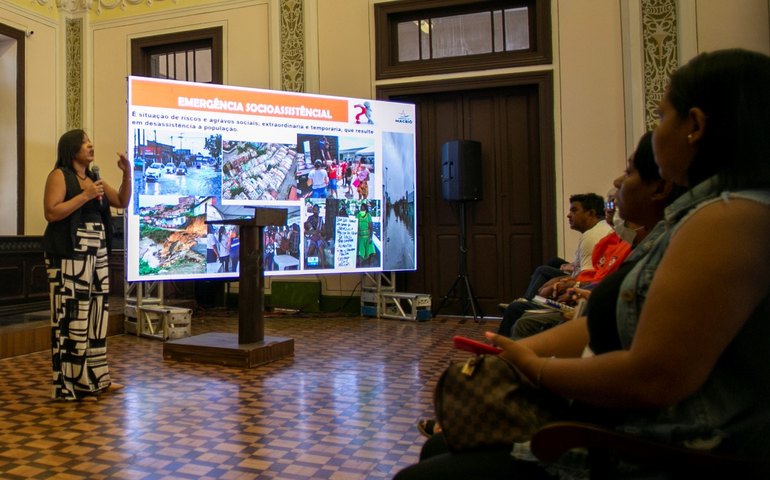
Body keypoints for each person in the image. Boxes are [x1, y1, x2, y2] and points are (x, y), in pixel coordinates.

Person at [395, 48, 770, 479]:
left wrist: (536, 369)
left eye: (663, 116)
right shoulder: (693, 217)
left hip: (652, 448)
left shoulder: (728, 221)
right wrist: (511, 356)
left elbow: (654, 377)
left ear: (696, 126)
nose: (654, 131)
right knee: (443, 446)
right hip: (623, 423)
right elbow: (608, 325)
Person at [43, 129, 131, 402]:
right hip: (69, 253)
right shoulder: (60, 176)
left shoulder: (94, 178)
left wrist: (127, 174)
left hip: (98, 251)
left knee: (95, 316)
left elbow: (122, 201)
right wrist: (85, 195)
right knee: (73, 317)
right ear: (72, 149)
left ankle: (96, 378)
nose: (91, 145)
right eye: (84, 142)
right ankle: (70, 383)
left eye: (90, 141)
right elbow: (51, 211)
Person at [520, 193, 612, 300]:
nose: (568, 215)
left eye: (574, 210)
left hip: (587, 282)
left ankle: (527, 303)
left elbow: (587, 276)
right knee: (554, 262)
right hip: (588, 274)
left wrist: (561, 280)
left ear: (591, 213)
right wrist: (570, 267)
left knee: (542, 271)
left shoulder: (592, 235)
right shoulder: (600, 229)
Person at [304, 204, 326, 268]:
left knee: (322, 255)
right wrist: (313, 232)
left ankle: (323, 270)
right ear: (313, 210)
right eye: (314, 210)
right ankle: (305, 269)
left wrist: (320, 232)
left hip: (319, 238)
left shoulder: (321, 219)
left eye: (317, 210)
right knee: (308, 255)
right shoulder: (310, 218)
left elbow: (323, 231)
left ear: (319, 211)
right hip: (312, 239)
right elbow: (306, 231)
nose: (316, 211)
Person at [356, 202, 376, 267]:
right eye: (361, 209)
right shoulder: (358, 215)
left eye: (363, 209)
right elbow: (354, 224)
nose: (362, 210)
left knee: (371, 253)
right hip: (360, 237)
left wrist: (371, 237)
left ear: (366, 209)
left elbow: (371, 227)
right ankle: (360, 267)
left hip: (367, 237)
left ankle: (370, 266)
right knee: (360, 254)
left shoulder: (368, 216)